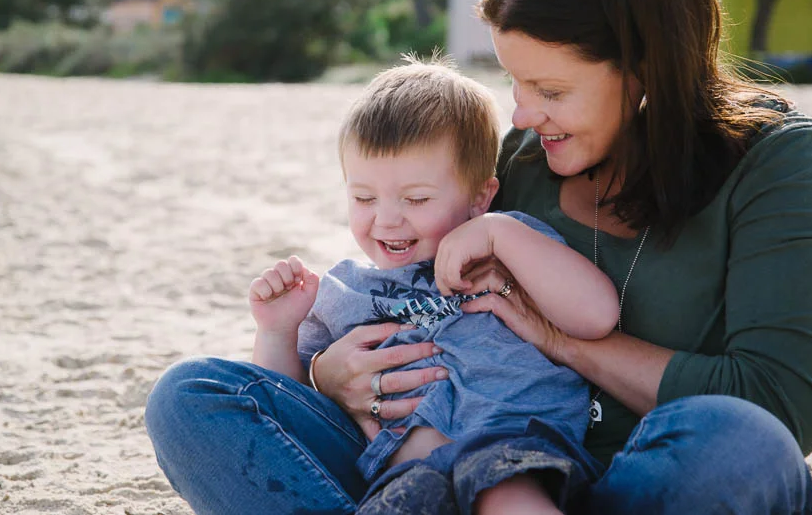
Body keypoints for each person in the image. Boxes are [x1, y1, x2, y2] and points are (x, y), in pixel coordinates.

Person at [144, 0, 812, 515]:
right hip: (433, 467)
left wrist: (561, 342)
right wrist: (333, 372)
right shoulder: (522, 162)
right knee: (192, 398)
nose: (523, 115)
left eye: (550, 90)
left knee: (741, 441)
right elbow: (405, 288)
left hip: (640, 482)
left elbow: (778, 403)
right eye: (514, 82)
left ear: (646, 64)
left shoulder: (779, 163)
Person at [247, 58, 620, 514]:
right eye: (363, 198)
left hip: (514, 446)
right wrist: (276, 332)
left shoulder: (508, 245)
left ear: (479, 197)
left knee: (504, 492)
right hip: (405, 475)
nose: (386, 219)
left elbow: (597, 315)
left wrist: (498, 232)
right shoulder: (343, 290)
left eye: (416, 199)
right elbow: (290, 410)